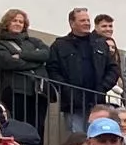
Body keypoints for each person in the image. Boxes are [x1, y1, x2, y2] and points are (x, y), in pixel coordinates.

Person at [48, 8, 115, 136]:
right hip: (73, 103)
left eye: (88, 20)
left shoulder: (100, 43)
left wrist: (103, 87)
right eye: (82, 20)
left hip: (97, 101)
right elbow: (53, 70)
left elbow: (113, 68)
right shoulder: (60, 45)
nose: (87, 23)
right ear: (72, 23)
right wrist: (67, 89)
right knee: (78, 139)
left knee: (98, 136)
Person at [0, 9, 54, 134]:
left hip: (39, 92)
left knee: (38, 128)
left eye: (21, 22)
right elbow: (9, 62)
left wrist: (21, 55)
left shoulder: (34, 41)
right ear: (7, 23)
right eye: (14, 20)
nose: (18, 24)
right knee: (18, 127)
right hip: (16, 91)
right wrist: (36, 62)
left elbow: (46, 54)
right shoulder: (1, 45)